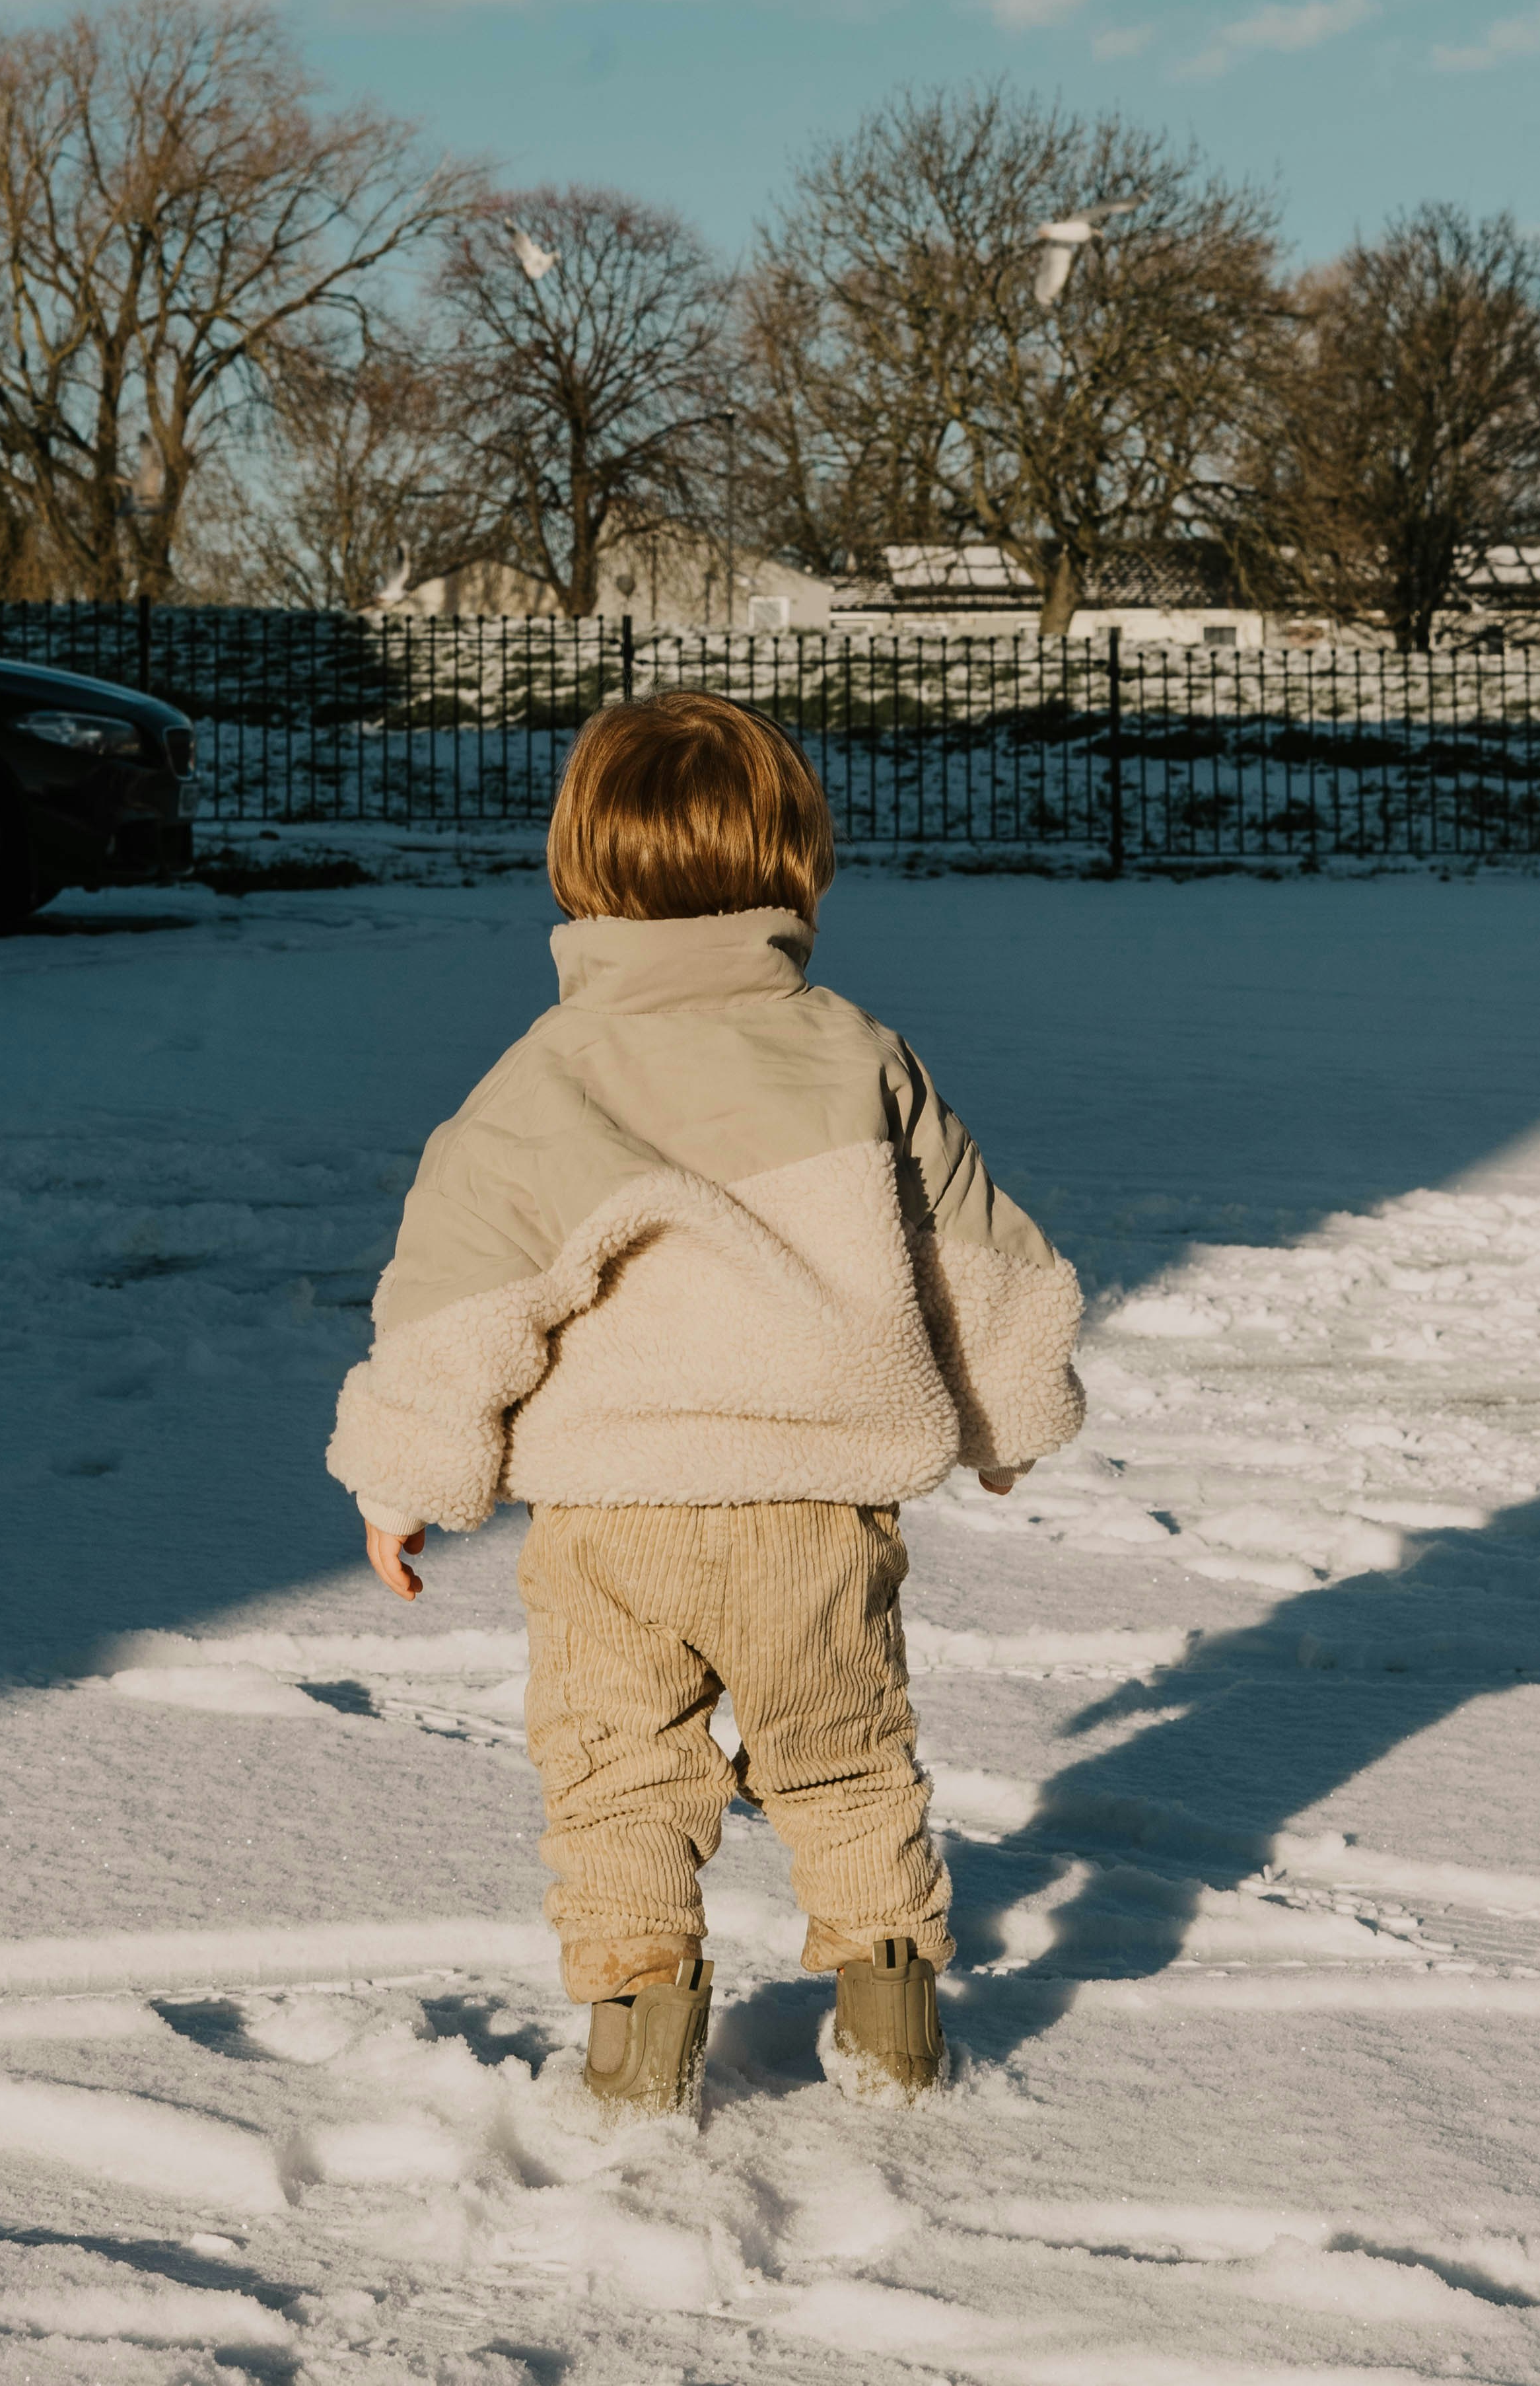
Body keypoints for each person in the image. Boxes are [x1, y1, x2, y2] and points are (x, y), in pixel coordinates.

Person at [328, 690, 1084, 2117]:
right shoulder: (855, 1052)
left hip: (616, 1527)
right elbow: (971, 1250)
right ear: (794, 861)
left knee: (618, 1783)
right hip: (817, 1517)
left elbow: (459, 1299)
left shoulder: (542, 1077)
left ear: (578, 868)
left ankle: (635, 2061)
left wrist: (401, 1475)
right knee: (849, 1765)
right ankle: (892, 2029)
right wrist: (1007, 1414)